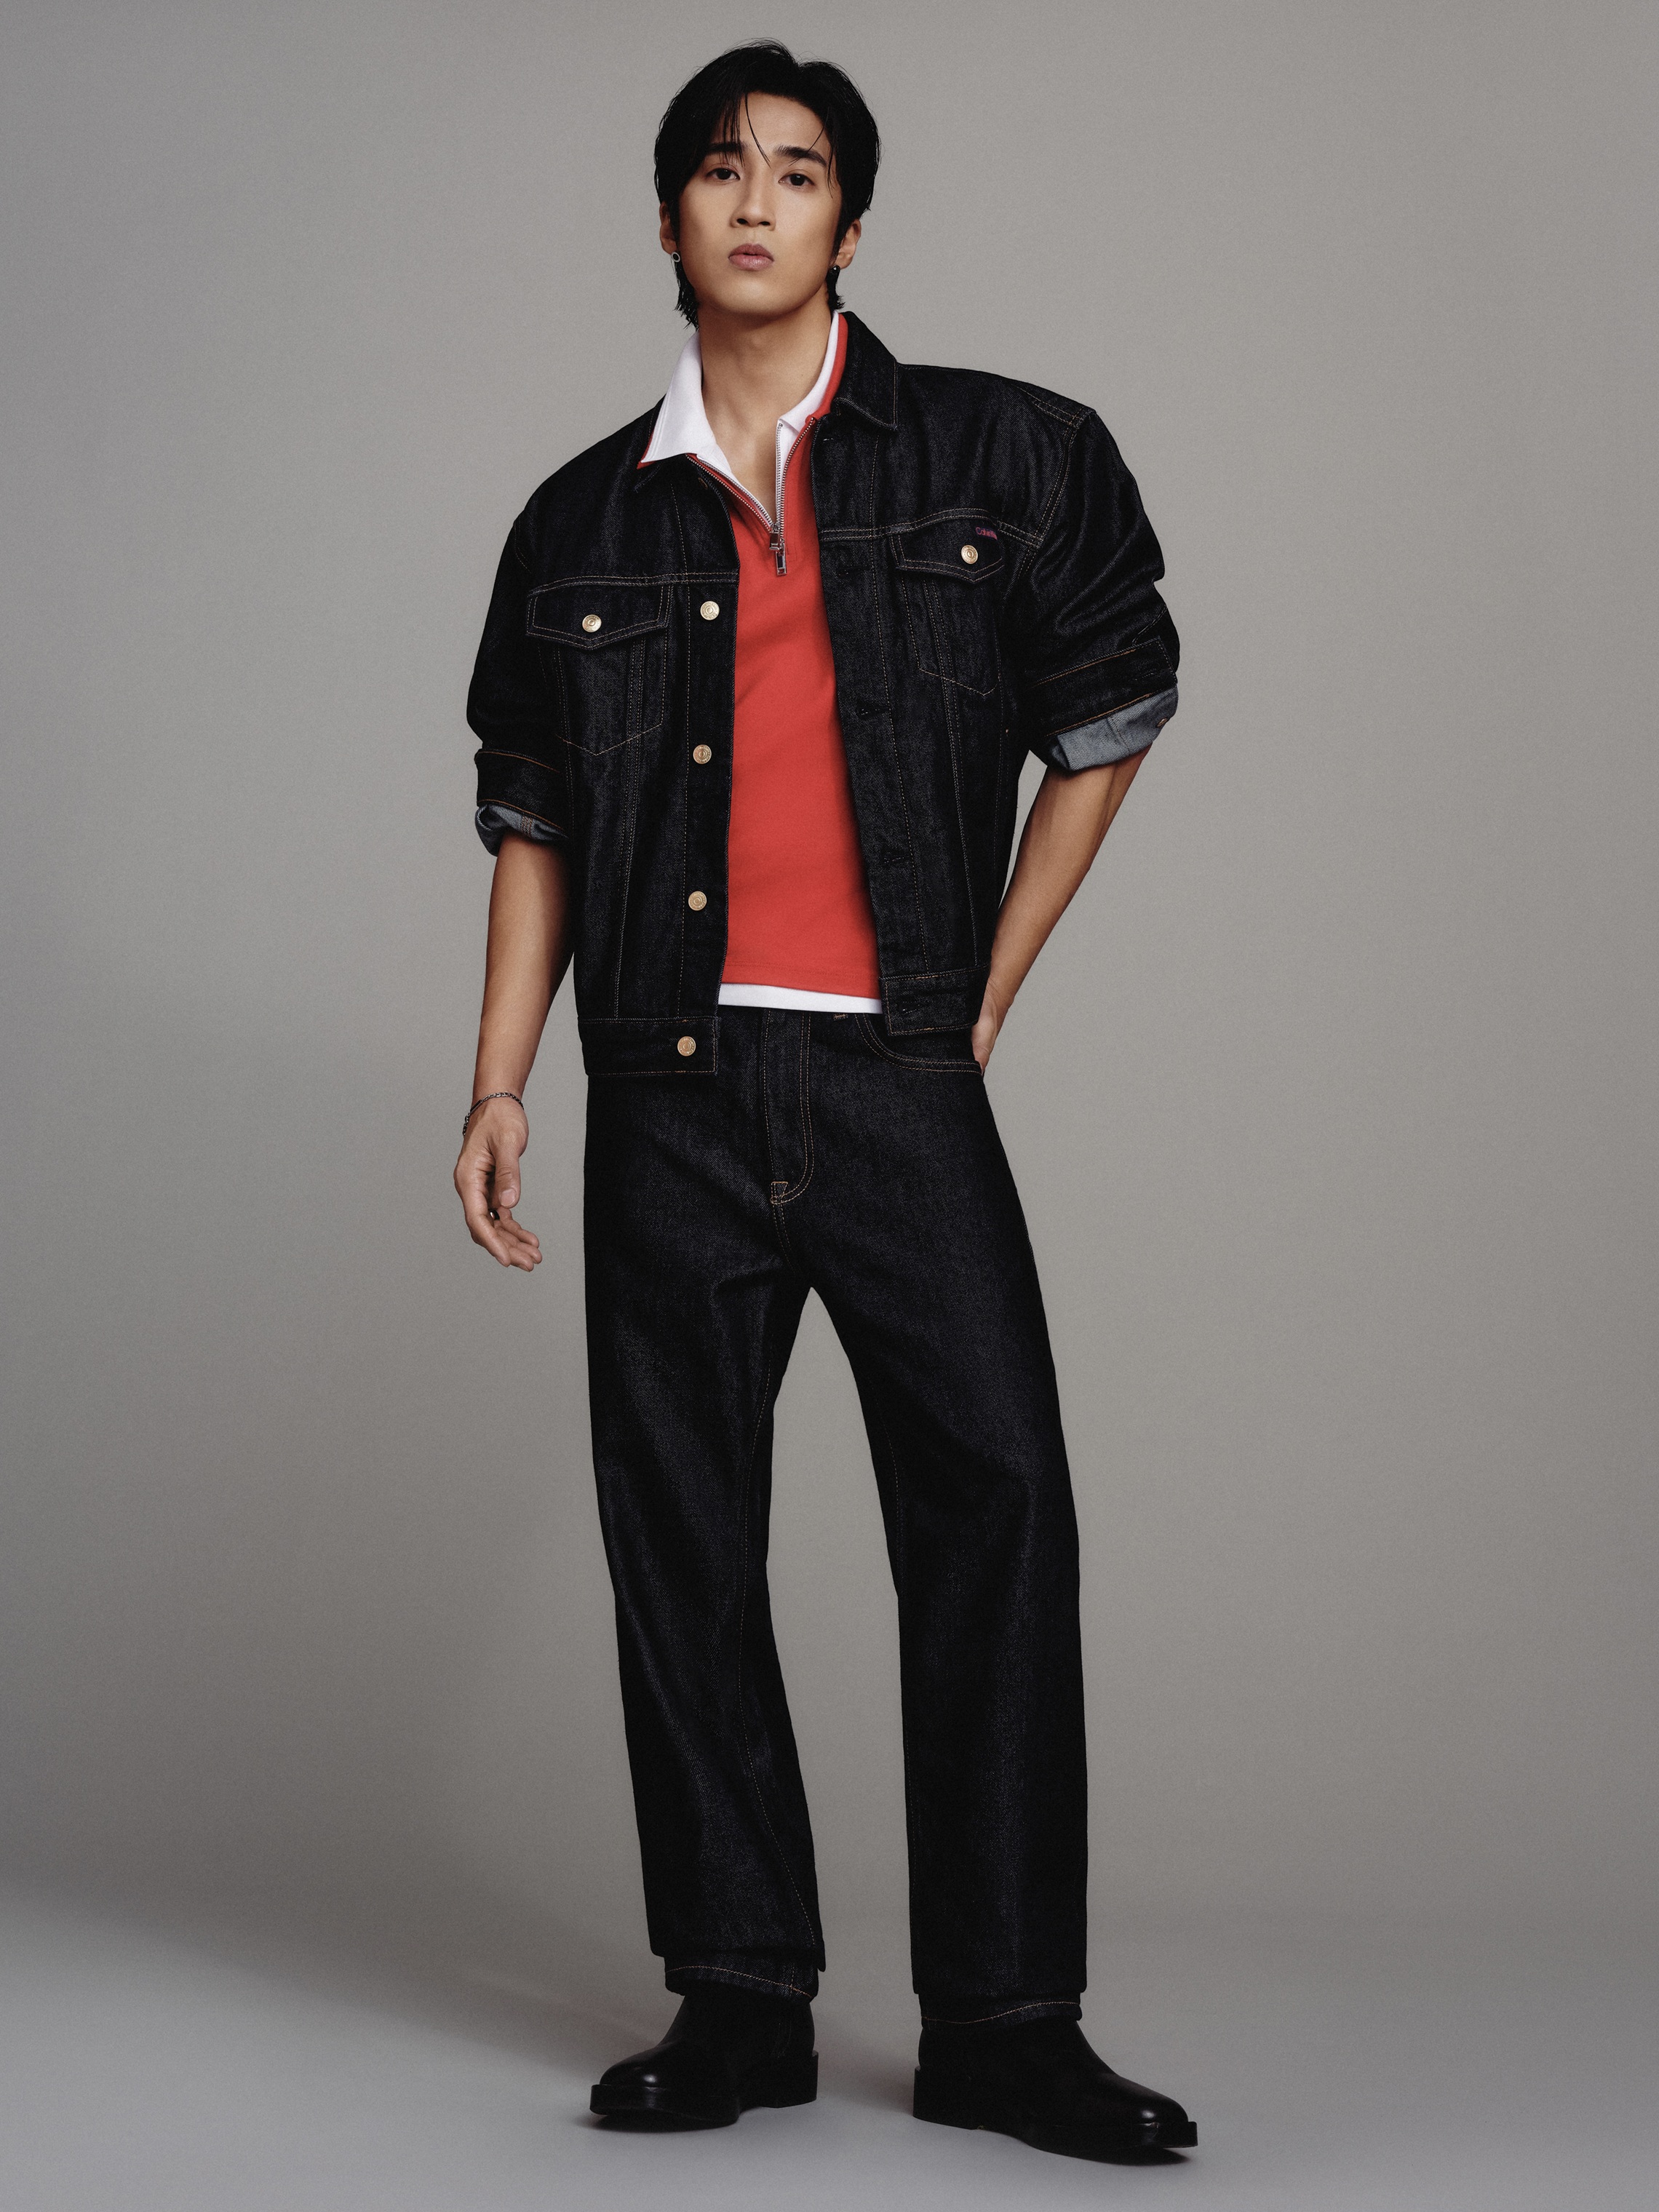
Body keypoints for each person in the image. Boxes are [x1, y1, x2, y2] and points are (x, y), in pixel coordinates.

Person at [454, 39, 1194, 2163]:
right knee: (680, 1531)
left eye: (798, 171)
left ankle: (1007, 2024)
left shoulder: (1001, 455)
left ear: (852, 221)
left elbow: (1111, 711)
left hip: (891, 1078)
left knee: (997, 1506)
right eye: (720, 168)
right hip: (666, 1084)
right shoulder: (580, 517)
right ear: (669, 219)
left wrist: (988, 987)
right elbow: (535, 820)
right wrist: (498, 1076)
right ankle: (739, 1997)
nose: (758, 200)